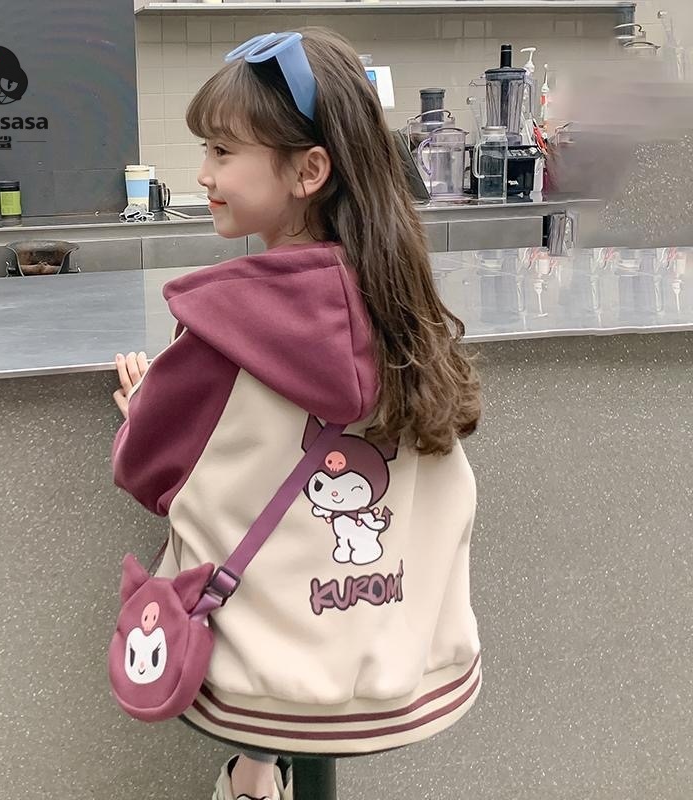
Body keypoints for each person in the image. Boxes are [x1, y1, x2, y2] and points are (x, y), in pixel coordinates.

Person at [111, 27, 482, 800]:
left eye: (222, 151)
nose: (203, 173)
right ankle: (260, 772)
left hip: (261, 682)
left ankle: (256, 770)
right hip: (402, 670)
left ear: (309, 170)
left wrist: (144, 405)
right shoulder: (405, 306)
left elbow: (149, 472)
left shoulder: (220, 328)